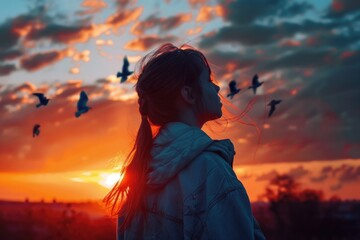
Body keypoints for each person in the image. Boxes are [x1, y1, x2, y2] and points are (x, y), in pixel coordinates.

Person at [104, 43, 266, 240]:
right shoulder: (211, 172)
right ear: (188, 94)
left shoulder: (138, 178)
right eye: (208, 80)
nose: (217, 87)